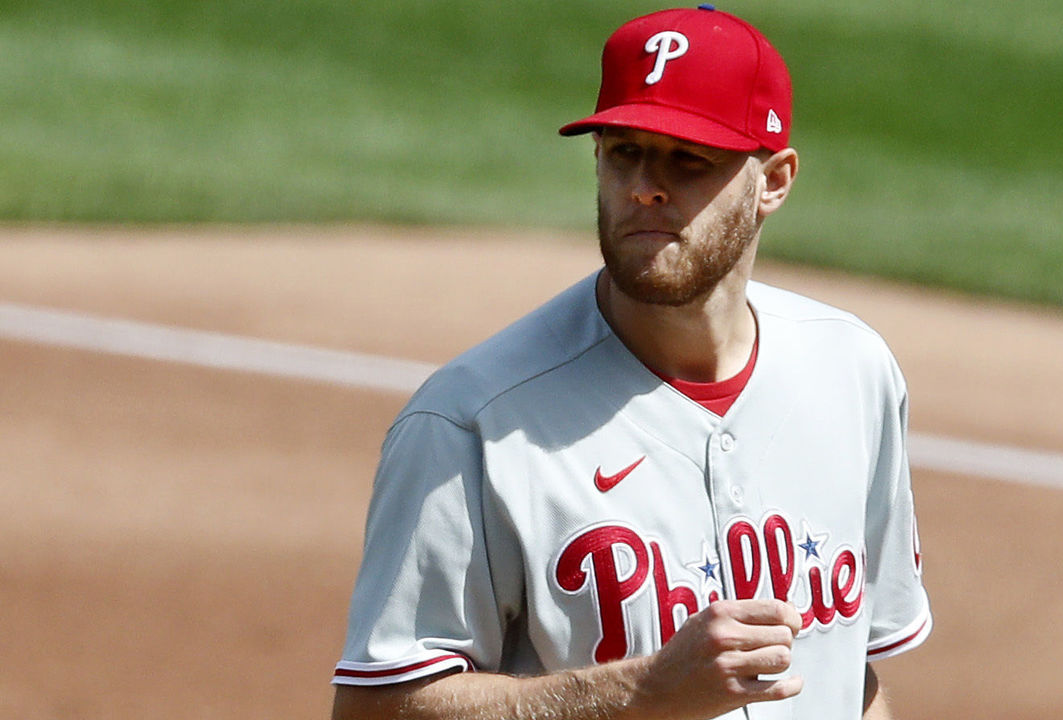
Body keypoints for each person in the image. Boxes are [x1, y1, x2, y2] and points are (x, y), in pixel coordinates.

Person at [331, 6, 931, 719]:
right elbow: (377, 710)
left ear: (774, 182)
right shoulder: (473, 423)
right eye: (624, 151)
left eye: (688, 160)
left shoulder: (853, 370)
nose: (646, 184)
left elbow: (850, 672)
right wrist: (642, 692)